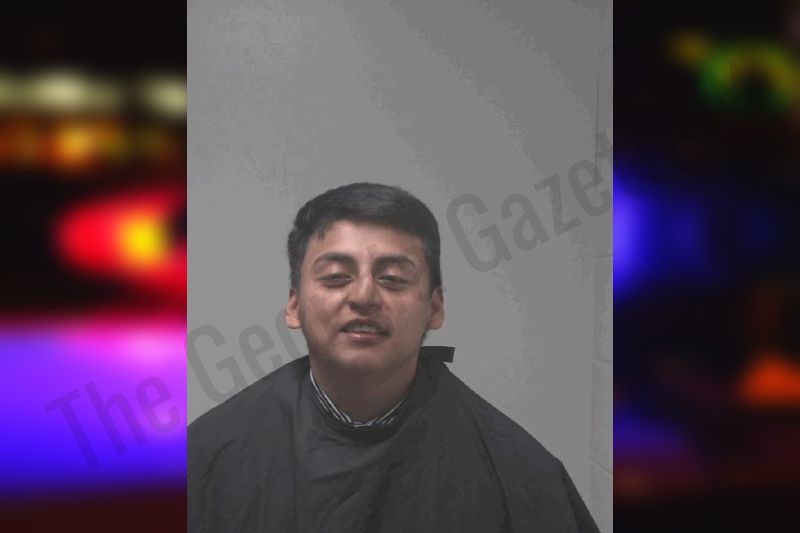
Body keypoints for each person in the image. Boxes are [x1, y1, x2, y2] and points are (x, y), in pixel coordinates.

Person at [188, 182, 600, 532]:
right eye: (336, 277)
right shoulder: (206, 457)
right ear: (294, 306)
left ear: (434, 308)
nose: (364, 295)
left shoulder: (519, 472)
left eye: (393, 278)